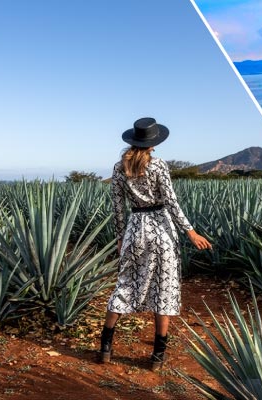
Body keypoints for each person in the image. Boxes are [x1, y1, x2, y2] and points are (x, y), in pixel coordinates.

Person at [98, 117, 212, 371]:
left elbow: (118, 209)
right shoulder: (159, 165)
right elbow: (171, 201)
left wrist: (120, 238)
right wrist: (190, 232)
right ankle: (157, 356)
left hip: (135, 229)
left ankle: (105, 346)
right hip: (161, 230)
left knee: (125, 284)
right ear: (152, 143)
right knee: (164, 287)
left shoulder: (119, 168)